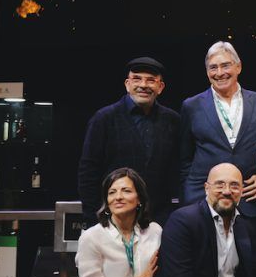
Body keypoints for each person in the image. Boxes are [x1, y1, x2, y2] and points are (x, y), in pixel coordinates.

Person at [77, 57, 180, 226]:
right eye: (137, 79)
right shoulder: (104, 119)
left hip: (158, 220)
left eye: (151, 80)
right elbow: (88, 172)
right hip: (113, 219)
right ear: (127, 84)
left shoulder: (172, 121)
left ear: (160, 87)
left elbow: (177, 171)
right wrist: (95, 219)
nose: (143, 85)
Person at [179, 42, 256, 218]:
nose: (219, 73)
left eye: (225, 65)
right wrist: (187, 196)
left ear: (238, 67)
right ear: (207, 72)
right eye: (213, 67)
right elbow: (184, 158)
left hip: (249, 198)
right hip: (202, 198)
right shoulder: (192, 106)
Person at [76, 168, 160, 277]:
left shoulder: (154, 231)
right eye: (112, 192)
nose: (118, 197)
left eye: (126, 191)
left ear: (139, 199)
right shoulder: (92, 237)